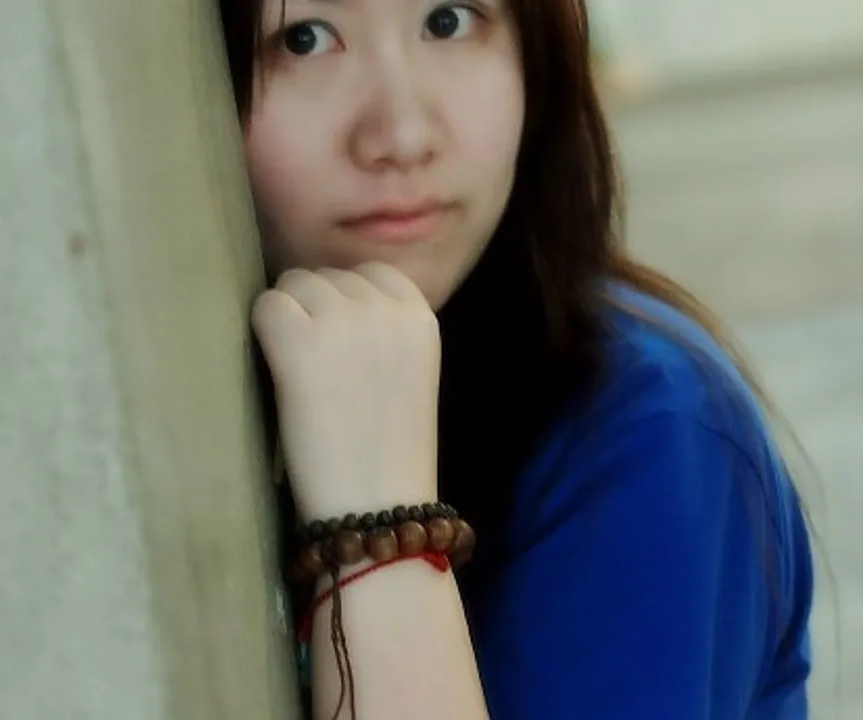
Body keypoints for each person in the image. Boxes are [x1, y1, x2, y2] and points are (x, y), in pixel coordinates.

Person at [220, 0, 814, 718]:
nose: (403, 136)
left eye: (448, 21)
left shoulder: (645, 432)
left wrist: (377, 511)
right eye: (304, 39)